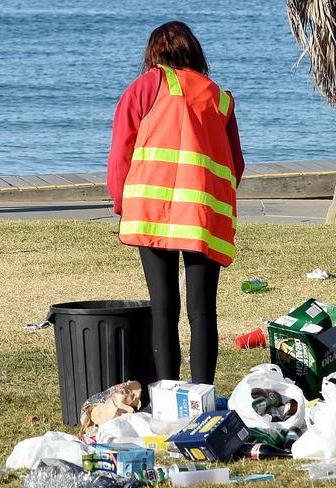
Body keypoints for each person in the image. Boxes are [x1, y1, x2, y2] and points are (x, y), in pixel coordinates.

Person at [107, 21, 244, 385]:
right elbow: (235, 164)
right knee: (202, 311)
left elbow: (122, 148)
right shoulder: (219, 96)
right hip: (202, 216)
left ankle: (168, 390)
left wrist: (121, 201)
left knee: (163, 307)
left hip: (151, 212)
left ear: (154, 54)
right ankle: (202, 394)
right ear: (195, 52)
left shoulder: (146, 86)